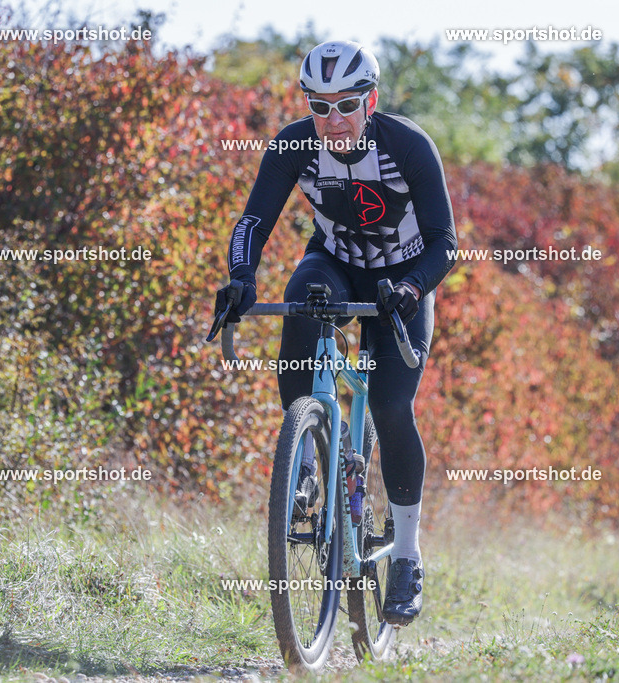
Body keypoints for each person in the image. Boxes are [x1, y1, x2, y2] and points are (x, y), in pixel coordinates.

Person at [214, 40, 457, 625]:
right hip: (336, 261)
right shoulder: (295, 144)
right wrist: (240, 279)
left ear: (370, 100)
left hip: (402, 275)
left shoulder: (407, 144)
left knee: (393, 408)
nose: (333, 120)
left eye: (346, 104)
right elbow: (252, 222)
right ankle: (303, 462)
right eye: (319, 106)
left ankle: (405, 556)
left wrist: (411, 288)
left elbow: (446, 243)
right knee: (301, 300)